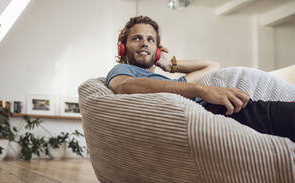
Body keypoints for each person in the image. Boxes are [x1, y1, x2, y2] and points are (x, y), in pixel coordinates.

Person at [106, 16, 295, 142]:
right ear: (122, 48)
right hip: (217, 117)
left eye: (150, 39)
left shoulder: (171, 84)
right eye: (137, 38)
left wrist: (170, 64)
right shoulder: (121, 70)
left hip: (232, 109)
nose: (145, 43)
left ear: (157, 50)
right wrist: (202, 90)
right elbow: (124, 86)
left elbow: (212, 66)